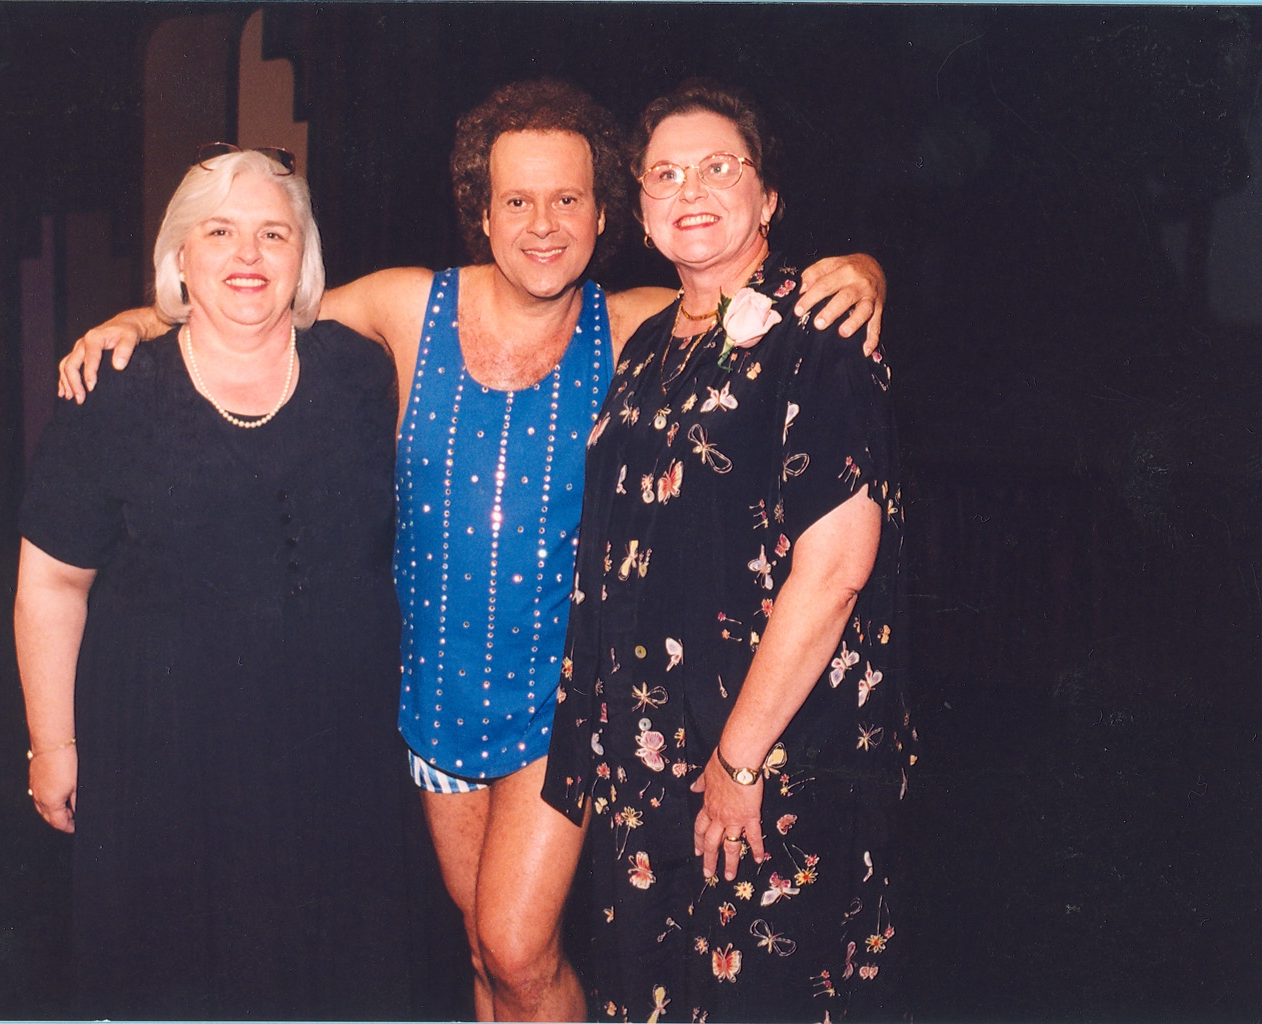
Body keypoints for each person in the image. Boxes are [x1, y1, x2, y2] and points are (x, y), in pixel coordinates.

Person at [56, 81, 887, 1021]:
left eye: (568, 198)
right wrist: (143, 320)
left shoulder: (635, 324)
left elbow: (757, 295)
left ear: (605, 215)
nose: (543, 224)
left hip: (561, 706)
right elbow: (260, 301)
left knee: (518, 948)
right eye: (516, 200)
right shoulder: (410, 306)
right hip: (434, 700)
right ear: (481, 214)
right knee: (483, 954)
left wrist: (864, 271)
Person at [540, 80, 917, 1022]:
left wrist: (739, 762)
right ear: (641, 211)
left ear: (768, 197)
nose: (691, 190)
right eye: (665, 174)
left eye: (718, 167)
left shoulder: (820, 330)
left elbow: (836, 571)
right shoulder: (648, 346)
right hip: (650, 766)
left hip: (768, 765)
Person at [15, 147, 415, 1018]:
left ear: (304, 258)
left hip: (334, 760)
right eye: (220, 232)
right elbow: (51, 584)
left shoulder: (362, 375)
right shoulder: (113, 391)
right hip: (162, 764)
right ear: (179, 257)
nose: (248, 255)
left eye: (274, 234)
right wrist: (53, 744)